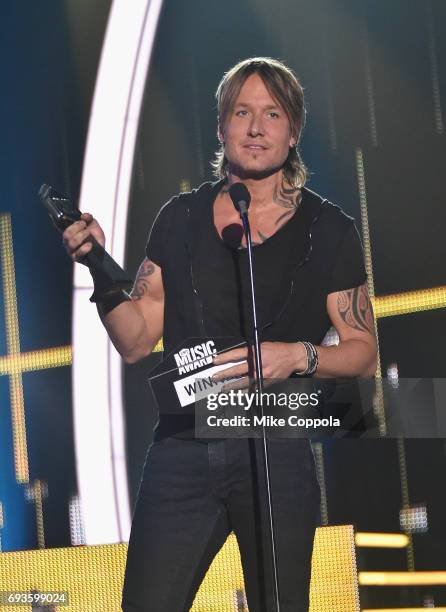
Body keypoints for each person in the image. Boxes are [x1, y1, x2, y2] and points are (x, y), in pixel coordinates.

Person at [63, 57, 377, 612]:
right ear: (221, 127)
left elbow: (362, 352)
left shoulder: (329, 230)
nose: (256, 128)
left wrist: (297, 356)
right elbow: (136, 339)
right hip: (183, 448)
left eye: (272, 114)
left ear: (293, 130)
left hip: (276, 449)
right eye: (242, 112)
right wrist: (97, 266)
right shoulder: (179, 219)